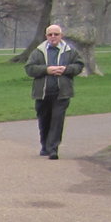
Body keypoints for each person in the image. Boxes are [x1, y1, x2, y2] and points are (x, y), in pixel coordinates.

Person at [25, 24, 84, 159]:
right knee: (44, 120)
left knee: (57, 120)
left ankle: (53, 149)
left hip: (62, 93)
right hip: (42, 93)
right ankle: (45, 146)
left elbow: (79, 65)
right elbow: (29, 69)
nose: (53, 37)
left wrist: (66, 69)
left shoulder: (70, 51)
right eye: (50, 34)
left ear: (61, 36)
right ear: (46, 36)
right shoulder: (38, 52)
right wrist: (47, 70)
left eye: (56, 34)